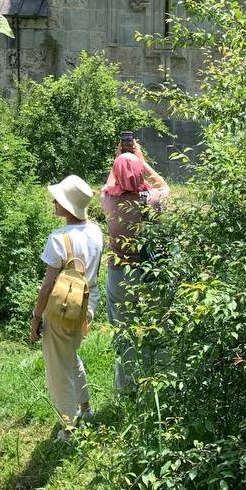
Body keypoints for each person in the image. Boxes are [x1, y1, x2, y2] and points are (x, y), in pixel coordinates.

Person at [31, 175, 102, 440]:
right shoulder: (96, 231)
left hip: (62, 309)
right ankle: (86, 409)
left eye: (58, 198)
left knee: (58, 369)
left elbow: (48, 286)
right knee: (70, 356)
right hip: (87, 305)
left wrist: (36, 317)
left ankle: (68, 428)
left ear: (68, 206)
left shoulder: (59, 238)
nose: (53, 200)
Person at [101, 144, 170, 393]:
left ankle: (127, 388)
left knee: (123, 332)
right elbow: (164, 185)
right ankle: (158, 384)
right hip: (150, 273)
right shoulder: (153, 200)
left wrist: (119, 160)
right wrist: (143, 161)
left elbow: (110, 183)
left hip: (120, 274)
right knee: (155, 327)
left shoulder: (109, 202)